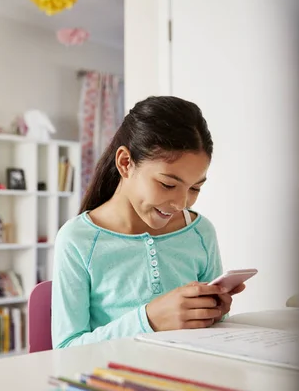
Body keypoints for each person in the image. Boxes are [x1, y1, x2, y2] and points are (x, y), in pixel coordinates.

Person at [51, 96, 245, 349]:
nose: (182, 203)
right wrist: (150, 319)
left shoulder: (200, 232)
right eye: (168, 185)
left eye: (195, 188)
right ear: (125, 163)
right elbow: (66, 349)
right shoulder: (78, 239)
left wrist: (213, 313)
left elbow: (212, 337)